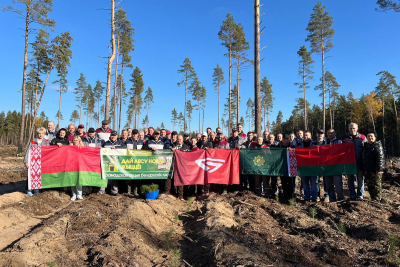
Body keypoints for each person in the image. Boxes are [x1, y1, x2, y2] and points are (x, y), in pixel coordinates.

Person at [342, 122, 367, 200]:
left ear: (357, 129)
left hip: (359, 162)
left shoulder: (362, 137)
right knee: (350, 180)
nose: (352, 130)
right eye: (350, 128)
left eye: (354, 128)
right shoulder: (344, 138)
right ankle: (352, 195)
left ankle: (360, 195)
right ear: (348, 129)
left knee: (360, 179)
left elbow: (366, 148)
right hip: (349, 163)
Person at [24, 127, 50, 196]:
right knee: (31, 176)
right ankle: (29, 190)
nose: (40, 135)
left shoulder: (46, 141)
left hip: (42, 162)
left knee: (38, 176)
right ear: (37, 134)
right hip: (32, 162)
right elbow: (28, 151)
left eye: (42, 133)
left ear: (44, 134)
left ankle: (36, 190)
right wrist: (26, 161)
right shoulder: (33, 141)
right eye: (39, 133)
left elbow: (49, 151)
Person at [362, 131, 385, 201]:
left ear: (375, 137)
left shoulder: (377, 146)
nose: (370, 138)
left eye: (371, 136)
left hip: (375, 170)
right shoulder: (366, 146)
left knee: (376, 186)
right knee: (370, 186)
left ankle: (377, 200)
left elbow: (380, 158)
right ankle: (373, 199)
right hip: (368, 169)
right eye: (368, 136)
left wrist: (379, 169)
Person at [102, 131, 127, 196]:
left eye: (114, 135)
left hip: (116, 162)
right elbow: (101, 149)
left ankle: (114, 191)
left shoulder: (120, 142)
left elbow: (125, 148)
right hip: (106, 162)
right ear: (110, 136)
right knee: (105, 175)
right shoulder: (106, 143)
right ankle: (102, 191)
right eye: (112, 135)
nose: (113, 137)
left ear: (117, 136)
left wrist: (116, 148)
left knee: (114, 175)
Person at [167, 135, 190, 200]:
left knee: (180, 179)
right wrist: (171, 149)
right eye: (178, 139)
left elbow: (188, 155)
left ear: (182, 140)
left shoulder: (186, 147)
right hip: (173, 164)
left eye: (180, 139)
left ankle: (181, 196)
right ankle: (171, 194)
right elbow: (167, 150)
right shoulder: (172, 145)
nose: (179, 140)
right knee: (171, 179)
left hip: (182, 166)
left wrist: (178, 151)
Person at [324, 129, 344, 202]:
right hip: (327, 167)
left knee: (338, 183)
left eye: (332, 133)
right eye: (329, 133)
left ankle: (340, 198)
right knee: (328, 184)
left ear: (335, 133)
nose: (330, 135)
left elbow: (341, 153)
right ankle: (332, 199)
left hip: (336, 166)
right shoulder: (325, 142)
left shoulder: (339, 141)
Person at [300, 131, 319, 202]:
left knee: (314, 183)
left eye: (307, 135)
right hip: (303, 166)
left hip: (313, 166)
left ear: (310, 136)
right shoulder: (300, 144)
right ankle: (306, 197)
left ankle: (314, 197)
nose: (305, 137)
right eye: (304, 135)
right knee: (305, 183)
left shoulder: (315, 143)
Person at [279, 135, 296, 199]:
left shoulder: (292, 146)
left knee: (291, 181)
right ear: (282, 139)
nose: (286, 140)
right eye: (284, 139)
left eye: (287, 139)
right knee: (283, 180)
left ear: (289, 139)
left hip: (291, 166)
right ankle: (285, 194)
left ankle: (291, 195)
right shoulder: (279, 146)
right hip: (282, 166)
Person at [264, 134, 279, 198]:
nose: (270, 138)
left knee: (274, 180)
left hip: (274, 165)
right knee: (266, 180)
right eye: (269, 137)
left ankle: (275, 193)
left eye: (272, 137)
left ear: (274, 138)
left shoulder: (277, 145)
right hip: (266, 165)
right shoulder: (264, 145)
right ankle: (267, 193)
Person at [70, 136, 85, 201]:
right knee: (72, 180)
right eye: (74, 140)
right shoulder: (69, 148)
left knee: (79, 179)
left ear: (79, 141)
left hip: (80, 165)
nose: (75, 141)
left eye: (76, 140)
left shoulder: (83, 148)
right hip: (71, 165)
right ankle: (74, 194)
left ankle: (79, 194)